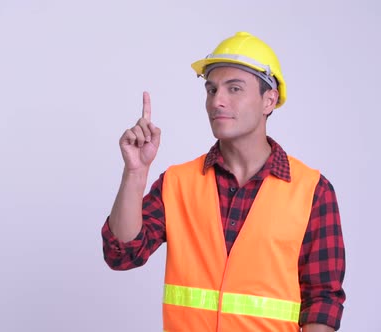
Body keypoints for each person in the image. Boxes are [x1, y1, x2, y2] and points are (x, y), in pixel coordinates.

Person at [101, 32, 346, 332]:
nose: (217, 101)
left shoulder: (312, 191)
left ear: (269, 99)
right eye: (211, 89)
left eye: (234, 89)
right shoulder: (177, 183)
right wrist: (136, 173)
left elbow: (322, 300)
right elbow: (122, 254)